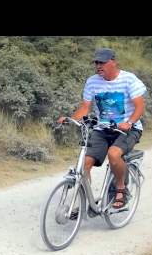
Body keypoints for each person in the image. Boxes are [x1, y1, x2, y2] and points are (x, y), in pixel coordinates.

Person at [58, 47, 146, 215]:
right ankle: (85, 201)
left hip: (128, 129)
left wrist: (129, 122)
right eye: (96, 62)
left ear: (113, 62)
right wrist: (70, 119)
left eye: (102, 62)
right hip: (102, 129)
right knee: (83, 165)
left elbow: (139, 106)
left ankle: (121, 187)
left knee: (114, 155)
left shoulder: (128, 79)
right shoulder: (92, 81)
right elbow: (85, 108)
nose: (98, 65)